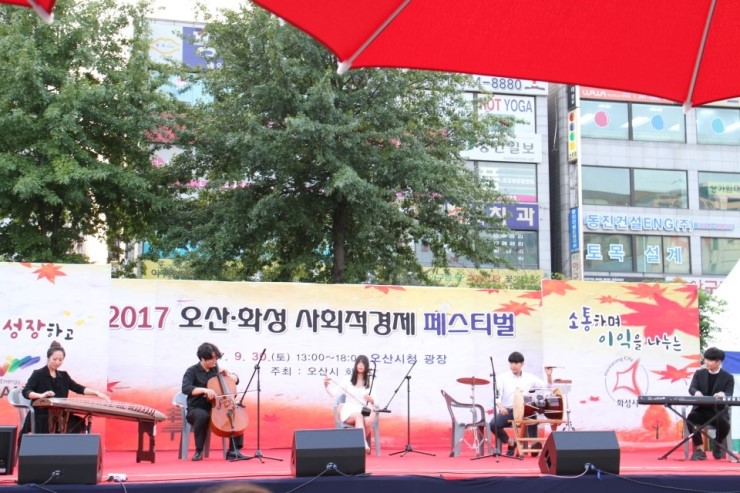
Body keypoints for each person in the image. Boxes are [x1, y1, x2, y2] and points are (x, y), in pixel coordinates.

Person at [21, 340, 110, 437]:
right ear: (48, 358)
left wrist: (96, 393)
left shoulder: (64, 376)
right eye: (54, 359)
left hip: (60, 414)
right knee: (54, 424)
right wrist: (41, 395)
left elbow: (78, 388)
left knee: (78, 422)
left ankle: (67, 446)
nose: (57, 362)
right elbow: (26, 391)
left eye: (60, 360)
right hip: (42, 414)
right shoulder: (38, 374)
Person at [182, 342, 247, 461]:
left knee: (235, 412)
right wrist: (204, 390)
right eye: (212, 359)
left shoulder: (216, 370)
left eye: (216, 358)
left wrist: (228, 375)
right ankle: (198, 451)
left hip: (217, 407)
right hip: (197, 408)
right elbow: (186, 388)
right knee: (202, 416)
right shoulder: (192, 371)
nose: (215, 361)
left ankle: (234, 450)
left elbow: (236, 380)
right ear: (202, 358)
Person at [489, 351, 553, 456]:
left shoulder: (529, 377)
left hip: (525, 410)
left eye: (516, 363)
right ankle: (511, 442)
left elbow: (548, 387)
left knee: (532, 412)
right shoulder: (502, 377)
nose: (513, 366)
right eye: (511, 363)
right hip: (509, 411)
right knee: (493, 424)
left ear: (522, 364)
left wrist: (549, 375)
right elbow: (497, 396)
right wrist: (501, 407)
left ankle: (534, 444)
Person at [687, 346, 734, 461]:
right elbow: (692, 388)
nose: (706, 362)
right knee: (691, 420)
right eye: (706, 359)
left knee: (725, 424)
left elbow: (729, 394)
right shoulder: (699, 373)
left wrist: (723, 394)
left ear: (718, 362)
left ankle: (717, 445)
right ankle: (700, 450)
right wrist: (696, 392)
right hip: (700, 410)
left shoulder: (728, 377)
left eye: (710, 360)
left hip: (717, 411)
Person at [323, 354, 377, 454]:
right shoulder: (348, 379)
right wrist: (326, 385)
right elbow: (334, 393)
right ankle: (363, 445)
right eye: (359, 363)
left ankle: (355, 446)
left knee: (369, 420)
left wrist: (371, 400)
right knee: (358, 416)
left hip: (362, 409)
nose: (361, 365)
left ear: (367, 366)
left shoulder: (370, 381)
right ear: (356, 365)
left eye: (363, 363)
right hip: (349, 409)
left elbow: (375, 401)